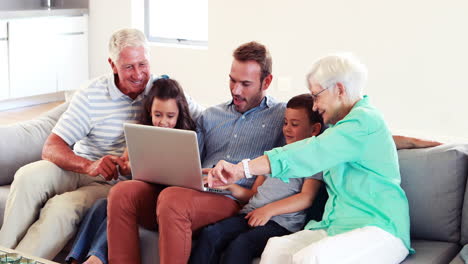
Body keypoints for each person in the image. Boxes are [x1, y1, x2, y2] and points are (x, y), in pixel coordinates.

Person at [0, 28, 202, 260]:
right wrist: (88, 165)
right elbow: (51, 147)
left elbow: (205, 118)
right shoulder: (91, 94)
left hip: (113, 182)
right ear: (113, 65)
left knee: (62, 209)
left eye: (143, 64)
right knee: (27, 176)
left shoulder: (161, 91)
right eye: (129, 67)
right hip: (81, 166)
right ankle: (3, 252)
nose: (138, 74)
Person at [207, 53, 416, 264]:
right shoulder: (341, 129)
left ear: (340, 90)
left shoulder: (364, 121)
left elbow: (309, 152)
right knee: (276, 248)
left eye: (316, 96)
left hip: (380, 230)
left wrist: (243, 169)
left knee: (311, 258)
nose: (314, 106)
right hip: (335, 228)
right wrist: (418, 142)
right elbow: (373, 142)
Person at [107, 41, 287, 264]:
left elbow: (309, 139)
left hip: (232, 198)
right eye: (232, 80)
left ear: (266, 82)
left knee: (172, 199)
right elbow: (184, 158)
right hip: (192, 190)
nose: (235, 90)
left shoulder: (282, 117)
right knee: (122, 193)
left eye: (246, 84)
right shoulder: (210, 115)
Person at [65, 77, 196, 264]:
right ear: (149, 111)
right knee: (101, 206)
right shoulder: (141, 133)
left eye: (170, 116)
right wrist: (126, 167)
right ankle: (76, 259)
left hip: (166, 204)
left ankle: (96, 259)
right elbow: (127, 166)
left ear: (179, 114)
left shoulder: (188, 138)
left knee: (122, 205)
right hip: (141, 195)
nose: (163, 122)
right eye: (157, 115)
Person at [189, 93, 324, 264]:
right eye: (285, 123)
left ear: (314, 129)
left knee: (241, 245)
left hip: (280, 223)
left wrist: (269, 210)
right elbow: (253, 193)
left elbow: (306, 198)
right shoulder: (274, 156)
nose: (287, 129)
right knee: (211, 234)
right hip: (251, 213)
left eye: (295, 124)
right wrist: (230, 187)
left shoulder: (313, 159)